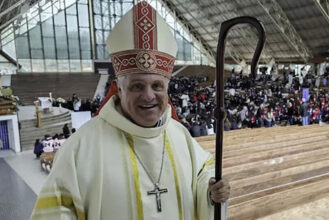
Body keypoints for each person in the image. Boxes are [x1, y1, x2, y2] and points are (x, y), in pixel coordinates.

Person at [30, 2, 230, 220]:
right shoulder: (80, 148)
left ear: (167, 89)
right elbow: (56, 212)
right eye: (137, 86)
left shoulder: (180, 135)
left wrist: (211, 192)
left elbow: (204, 173)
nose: (148, 95)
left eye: (157, 86)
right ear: (119, 89)